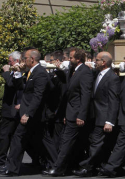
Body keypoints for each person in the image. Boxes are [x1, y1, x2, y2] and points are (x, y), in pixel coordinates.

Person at [0, 49, 50, 176]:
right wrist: (17, 73)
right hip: (28, 112)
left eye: (25, 58)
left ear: (32, 59)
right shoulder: (30, 72)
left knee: (18, 138)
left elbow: (38, 96)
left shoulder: (40, 72)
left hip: (32, 113)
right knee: (36, 140)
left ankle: (11, 168)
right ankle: (49, 162)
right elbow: (23, 88)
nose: (24, 60)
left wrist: (27, 113)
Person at [43, 48, 93, 176]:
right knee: (74, 142)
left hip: (77, 114)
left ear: (78, 59)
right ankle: (74, 166)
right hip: (71, 113)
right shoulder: (73, 70)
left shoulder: (85, 72)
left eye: (70, 58)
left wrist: (81, 115)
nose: (68, 60)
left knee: (66, 142)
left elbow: (85, 95)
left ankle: (58, 168)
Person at [73, 52, 120, 177]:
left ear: (104, 62)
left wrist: (109, 121)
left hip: (103, 117)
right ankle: (99, 166)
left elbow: (113, 101)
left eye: (97, 60)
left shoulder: (112, 78)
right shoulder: (97, 74)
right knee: (96, 143)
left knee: (95, 143)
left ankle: (86, 167)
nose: (94, 62)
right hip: (95, 116)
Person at [0, 52, 22, 169]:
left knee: (7, 136)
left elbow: (11, 84)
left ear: (17, 61)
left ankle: (2, 160)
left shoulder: (19, 72)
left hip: (13, 109)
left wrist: (7, 72)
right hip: (8, 109)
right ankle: (3, 159)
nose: (8, 63)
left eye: (10, 61)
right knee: (5, 136)